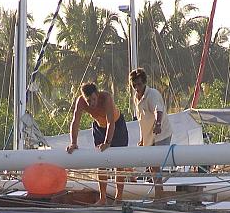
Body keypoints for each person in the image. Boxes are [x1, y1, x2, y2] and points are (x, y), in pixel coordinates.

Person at [66, 82, 128, 205]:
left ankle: (119, 197)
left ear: (97, 95)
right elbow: (75, 121)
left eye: (93, 99)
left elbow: (111, 122)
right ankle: (103, 198)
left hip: (117, 125)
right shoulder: (81, 101)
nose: (91, 103)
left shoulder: (106, 98)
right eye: (88, 101)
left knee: (119, 162)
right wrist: (73, 142)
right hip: (99, 127)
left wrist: (107, 142)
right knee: (101, 162)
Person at [130, 68, 173, 199]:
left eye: (139, 84)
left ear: (144, 83)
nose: (137, 87)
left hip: (161, 134)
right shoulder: (136, 98)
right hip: (149, 136)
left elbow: (157, 110)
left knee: (155, 165)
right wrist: (143, 138)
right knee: (153, 166)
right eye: (134, 85)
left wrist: (158, 124)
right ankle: (159, 194)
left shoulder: (152, 94)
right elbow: (141, 119)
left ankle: (159, 195)